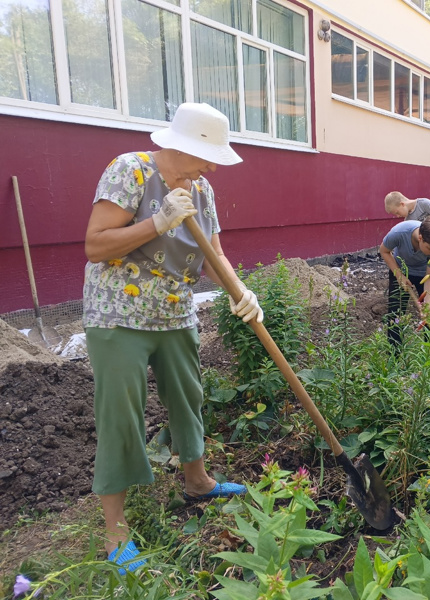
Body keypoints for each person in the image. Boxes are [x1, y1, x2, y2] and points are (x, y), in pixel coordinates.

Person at [82, 103, 262, 573]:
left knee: (188, 397)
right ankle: (115, 530)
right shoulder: (129, 170)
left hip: (175, 314)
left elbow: (215, 254)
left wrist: (243, 294)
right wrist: (157, 222)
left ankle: (197, 481)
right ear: (182, 144)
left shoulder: (202, 190)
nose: (213, 166)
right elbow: (95, 244)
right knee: (121, 412)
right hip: (119, 314)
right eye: (208, 155)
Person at [379, 216, 430, 347]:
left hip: (426, 275)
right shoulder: (399, 232)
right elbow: (384, 250)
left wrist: (427, 307)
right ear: (420, 238)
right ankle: (395, 355)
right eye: (429, 249)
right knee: (396, 314)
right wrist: (400, 276)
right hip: (400, 270)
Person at [385, 191, 430, 284]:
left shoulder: (424, 204)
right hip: (428, 250)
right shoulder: (407, 221)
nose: (398, 216)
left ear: (402, 204)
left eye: (397, 212)